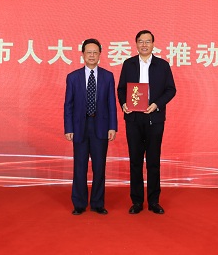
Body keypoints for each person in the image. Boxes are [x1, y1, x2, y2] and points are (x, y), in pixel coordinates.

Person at [117, 30, 176, 214]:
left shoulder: (162, 65)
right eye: (141, 41)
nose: (144, 45)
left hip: (154, 118)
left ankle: (154, 201)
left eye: (148, 41)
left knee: (153, 161)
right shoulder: (129, 64)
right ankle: (136, 201)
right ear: (136, 44)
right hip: (133, 119)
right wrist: (124, 103)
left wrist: (156, 104)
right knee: (135, 161)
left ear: (153, 44)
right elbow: (121, 89)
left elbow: (171, 90)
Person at [64, 38, 118, 215]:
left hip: (100, 126)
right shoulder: (73, 77)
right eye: (89, 52)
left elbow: (111, 104)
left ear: (100, 55)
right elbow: (68, 105)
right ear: (83, 54)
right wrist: (68, 128)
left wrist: (112, 127)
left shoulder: (108, 76)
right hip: (80, 127)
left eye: (95, 52)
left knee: (99, 167)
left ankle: (97, 203)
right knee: (79, 167)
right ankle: (79, 204)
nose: (92, 55)